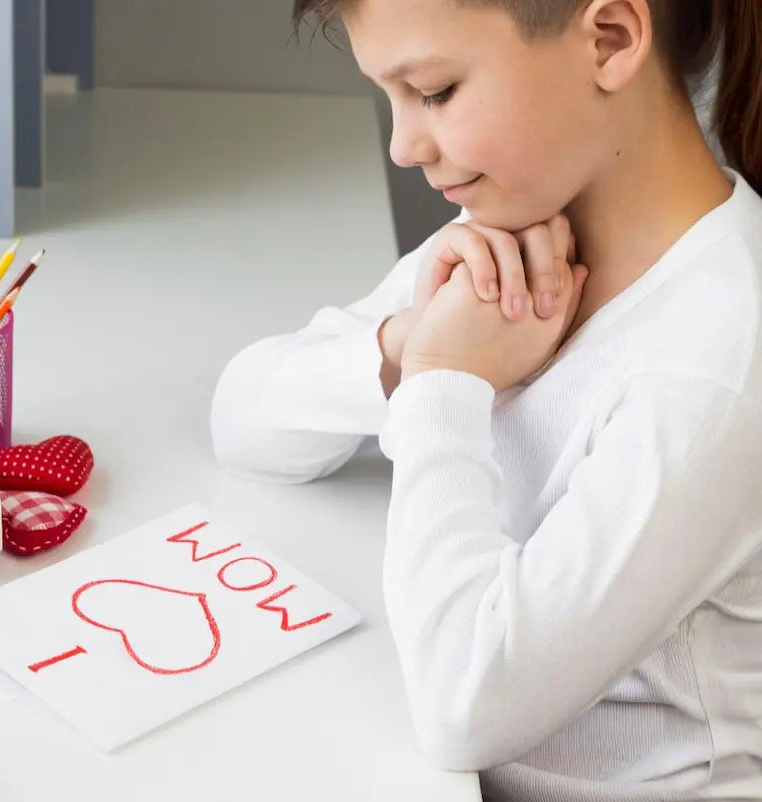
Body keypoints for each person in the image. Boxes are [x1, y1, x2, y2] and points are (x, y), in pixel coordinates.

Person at [209, 2, 762, 800]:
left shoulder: (710, 369)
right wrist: (403, 344)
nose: (403, 146)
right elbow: (243, 421)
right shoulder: (511, 239)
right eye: (389, 96)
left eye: (434, 92)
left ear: (610, 40)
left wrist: (444, 380)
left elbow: (466, 709)